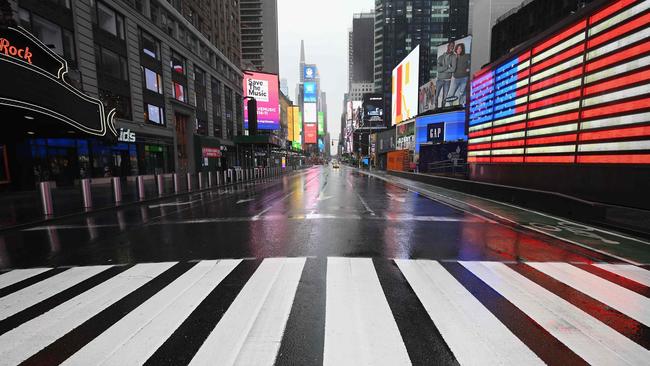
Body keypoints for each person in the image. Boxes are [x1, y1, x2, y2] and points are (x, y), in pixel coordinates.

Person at [435, 42, 457, 109]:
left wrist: (443, 69)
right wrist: (447, 67)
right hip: (439, 80)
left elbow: (453, 69)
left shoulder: (454, 57)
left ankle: (442, 110)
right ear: (448, 46)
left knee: (445, 97)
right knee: (436, 96)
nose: (452, 47)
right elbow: (438, 69)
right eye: (451, 46)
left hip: (448, 80)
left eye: (453, 46)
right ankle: (435, 108)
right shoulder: (440, 57)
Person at [449, 43, 470, 107]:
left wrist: (468, 68)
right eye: (458, 48)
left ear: (462, 49)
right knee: (451, 94)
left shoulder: (466, 56)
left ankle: (460, 106)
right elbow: (449, 65)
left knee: (462, 93)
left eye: (460, 48)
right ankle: (450, 106)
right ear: (456, 49)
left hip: (464, 77)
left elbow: (471, 61)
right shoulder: (453, 57)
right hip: (456, 78)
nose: (459, 49)